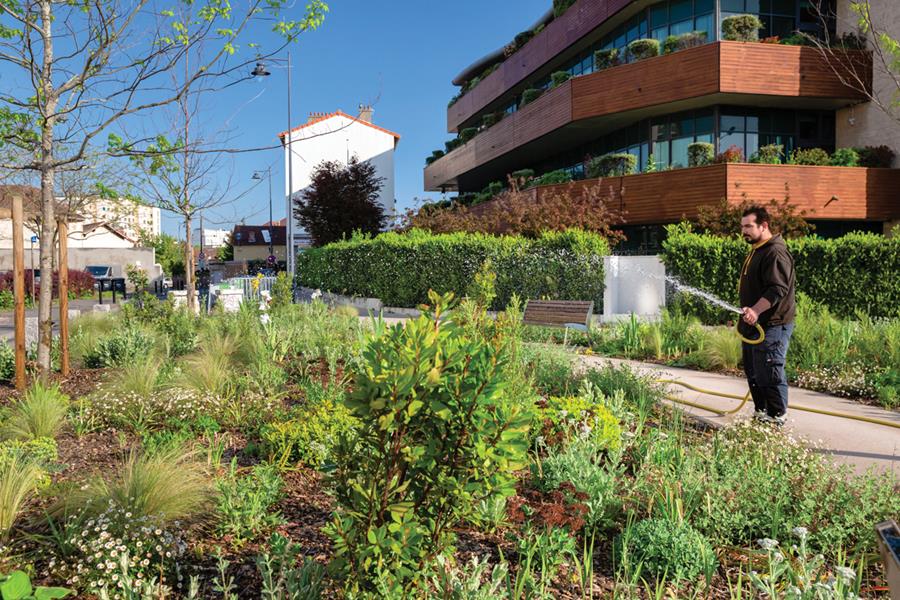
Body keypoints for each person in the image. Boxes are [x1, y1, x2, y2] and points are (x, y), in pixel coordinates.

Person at [738, 206, 796, 426]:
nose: (744, 231)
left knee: (770, 371)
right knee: (754, 372)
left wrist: (755, 310)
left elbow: (777, 289)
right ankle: (762, 414)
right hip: (754, 324)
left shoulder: (775, 252)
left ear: (764, 226)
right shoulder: (758, 249)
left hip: (772, 324)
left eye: (748, 226)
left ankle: (777, 417)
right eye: (742, 226)